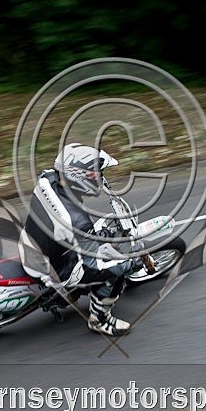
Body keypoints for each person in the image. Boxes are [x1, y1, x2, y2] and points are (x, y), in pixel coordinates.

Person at [19, 143, 137, 336]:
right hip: (50, 269)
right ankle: (99, 320)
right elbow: (92, 268)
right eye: (96, 175)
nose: (100, 179)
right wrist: (129, 262)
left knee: (98, 237)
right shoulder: (78, 221)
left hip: (30, 241)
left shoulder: (47, 179)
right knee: (116, 270)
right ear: (81, 179)